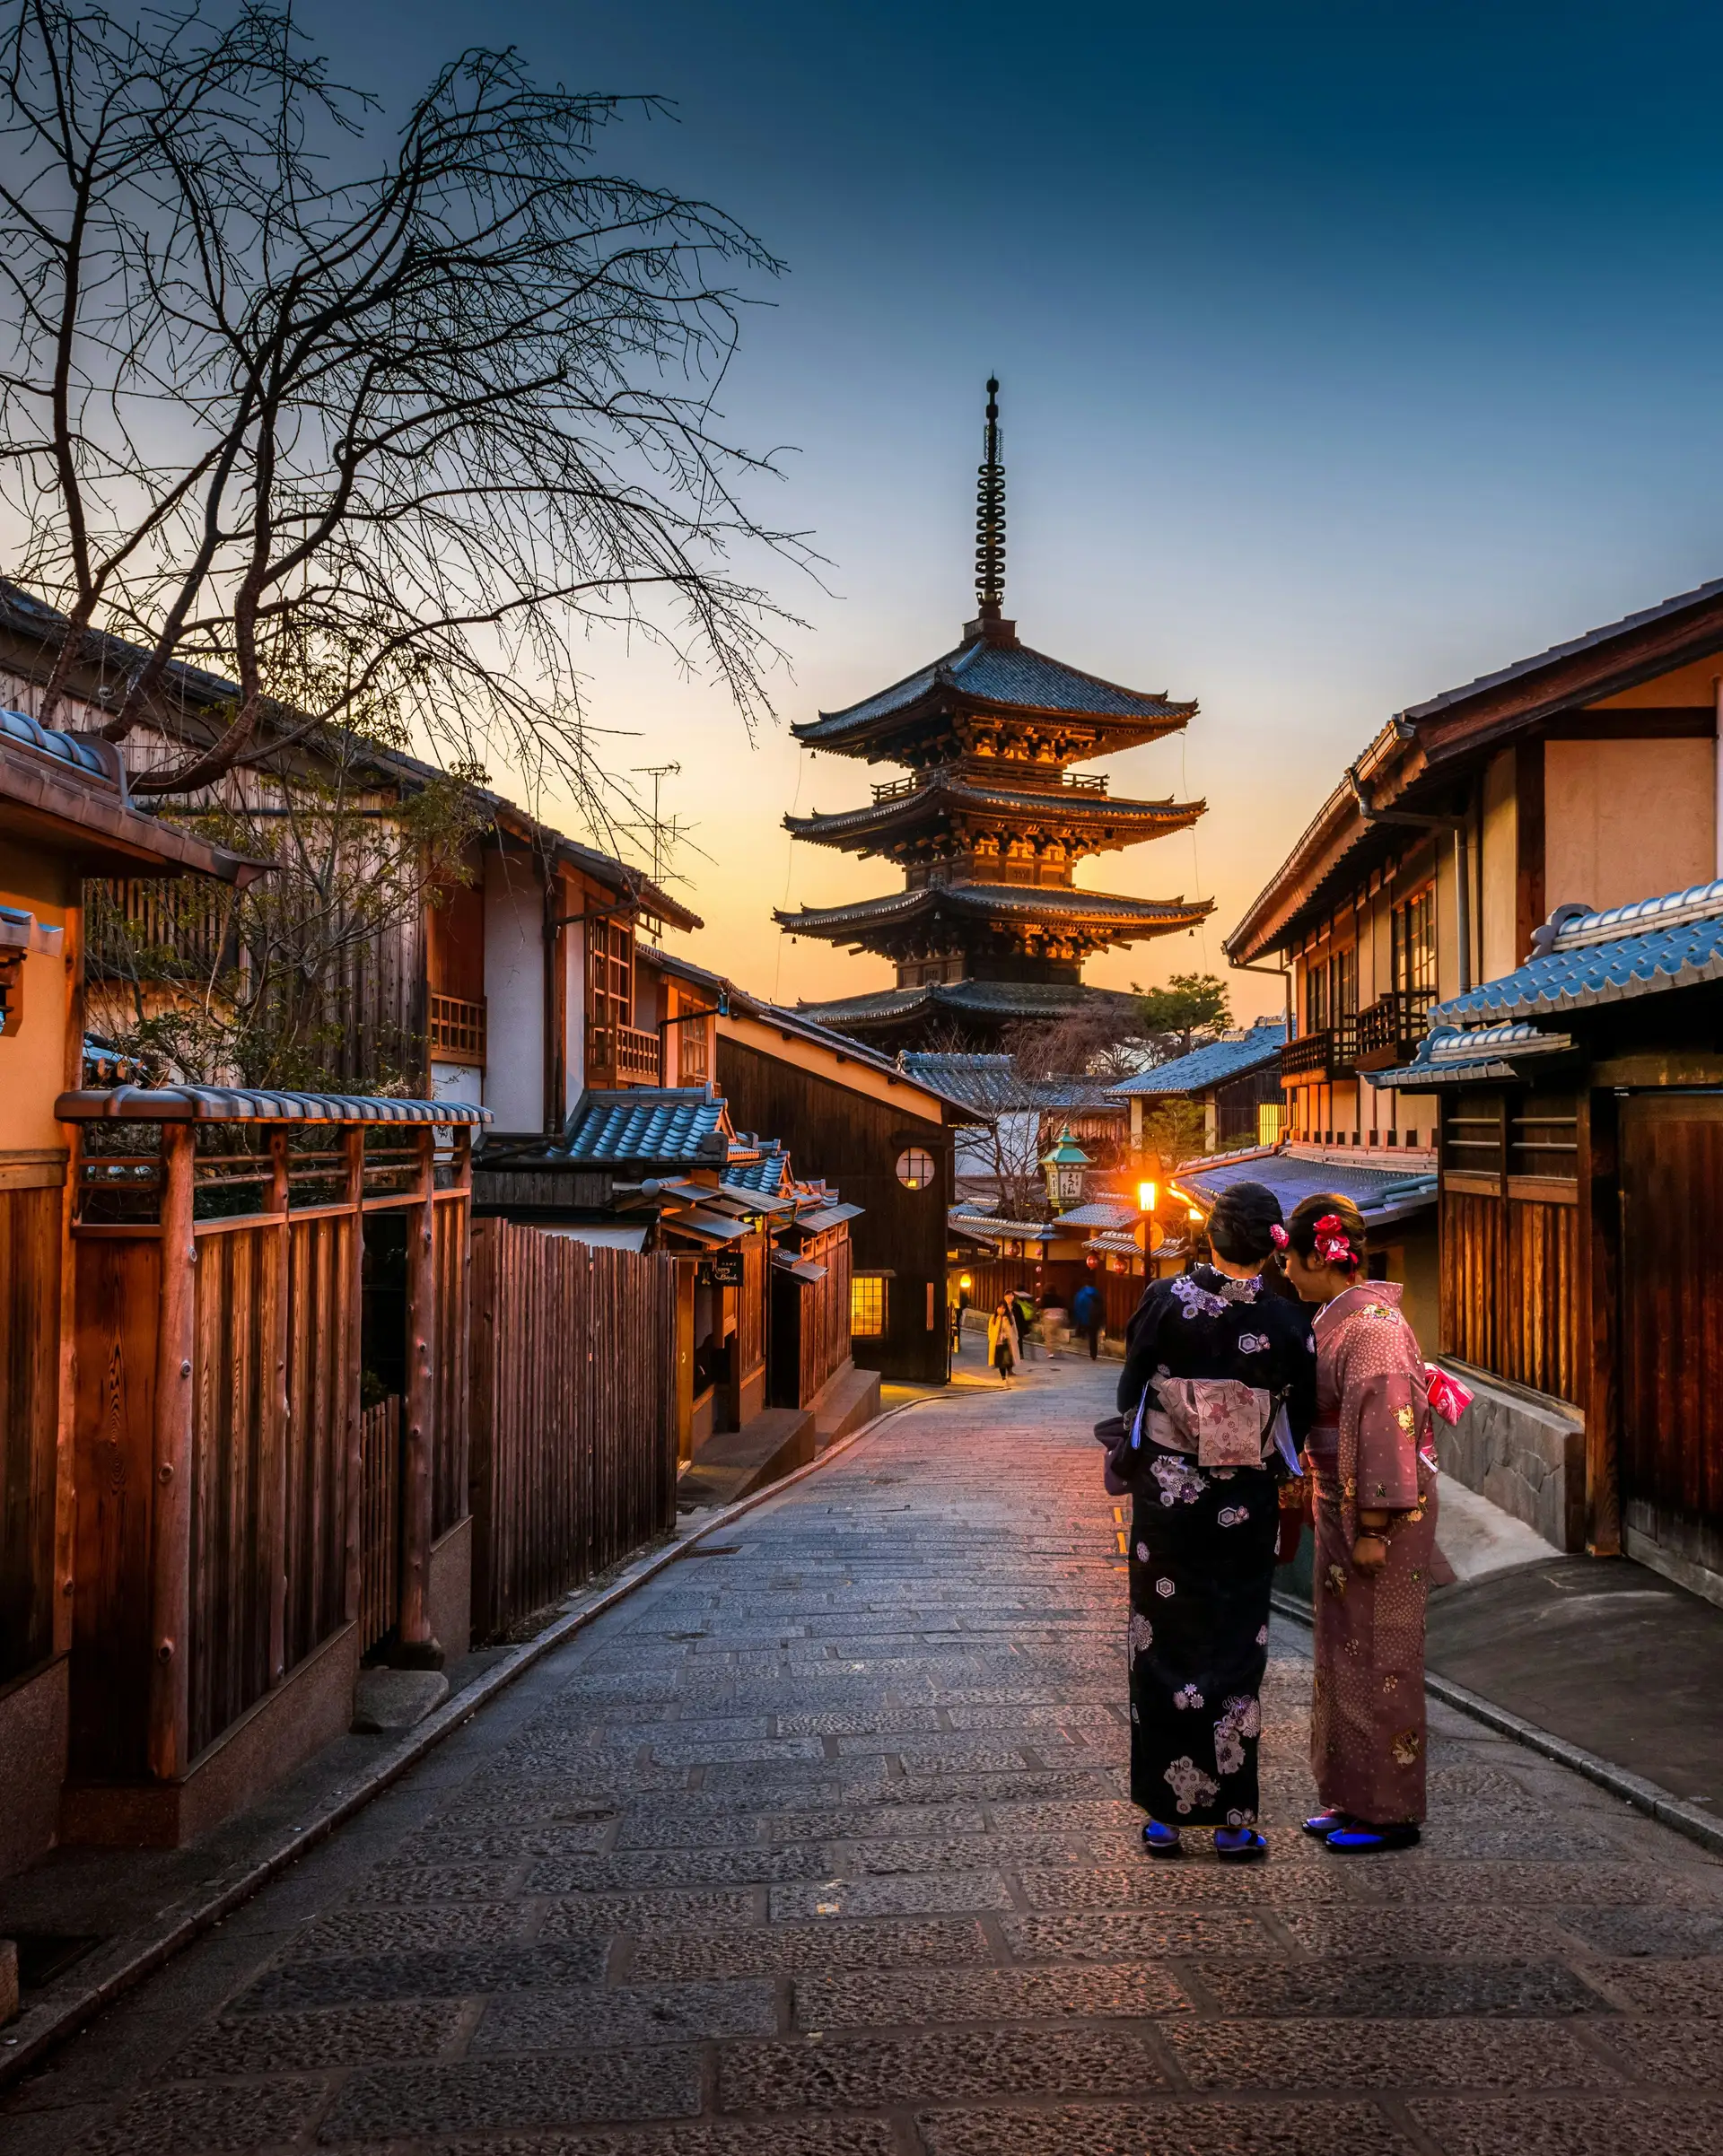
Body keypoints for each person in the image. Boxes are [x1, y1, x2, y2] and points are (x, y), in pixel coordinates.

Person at [1113, 1183, 1316, 1862]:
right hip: (1244, 1503)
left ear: (1211, 1234)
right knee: (1234, 1645)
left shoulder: (1164, 1299)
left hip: (1169, 1499)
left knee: (1162, 1639)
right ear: (1271, 1245)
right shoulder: (1288, 1321)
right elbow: (1300, 1414)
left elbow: (1132, 1387)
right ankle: (1234, 1819)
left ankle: (1165, 1818)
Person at [1280, 1192, 1437, 1855]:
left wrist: (1374, 1523)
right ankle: (1349, 1793)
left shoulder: (1371, 1329)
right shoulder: (1343, 1320)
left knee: (1383, 1655)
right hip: (1343, 1503)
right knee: (1343, 1650)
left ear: (1322, 1253)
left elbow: (1386, 1428)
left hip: (1378, 1516)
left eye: (1292, 1258)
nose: (1286, 1271)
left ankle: (1389, 1810)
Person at [987, 1297, 1019, 1384]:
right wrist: (991, 1338)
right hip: (997, 1342)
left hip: (1007, 1342)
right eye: (1000, 1307)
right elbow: (990, 1330)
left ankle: (1008, 1373)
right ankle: (1003, 1377)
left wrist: (1014, 1337)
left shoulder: (1009, 1318)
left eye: (1004, 1307)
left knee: (1007, 1360)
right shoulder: (993, 1318)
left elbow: (1014, 1329)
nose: (1002, 1309)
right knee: (1000, 1361)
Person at [1071, 1277, 1104, 1360]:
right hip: (1095, 1318)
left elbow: (1077, 1306)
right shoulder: (1097, 1293)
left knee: (1087, 1334)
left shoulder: (1081, 1293)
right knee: (1093, 1336)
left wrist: (1078, 1318)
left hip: (1084, 1318)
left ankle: (1084, 1347)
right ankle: (1094, 1354)